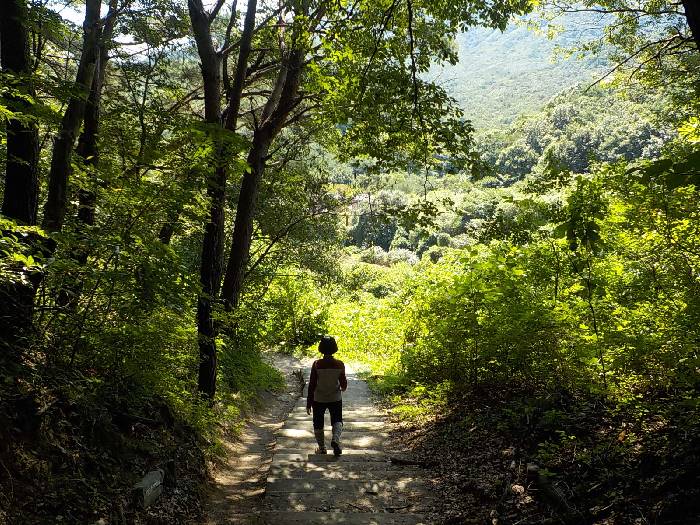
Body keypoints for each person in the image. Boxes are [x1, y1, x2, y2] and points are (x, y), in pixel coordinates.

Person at [306, 335, 347, 455]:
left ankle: (322, 447)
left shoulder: (316, 364)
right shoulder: (340, 364)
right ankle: (335, 439)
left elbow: (312, 384)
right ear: (335, 348)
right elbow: (343, 383)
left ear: (321, 348)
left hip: (318, 399)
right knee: (337, 419)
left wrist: (309, 402)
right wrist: (343, 387)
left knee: (318, 422)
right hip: (335, 398)